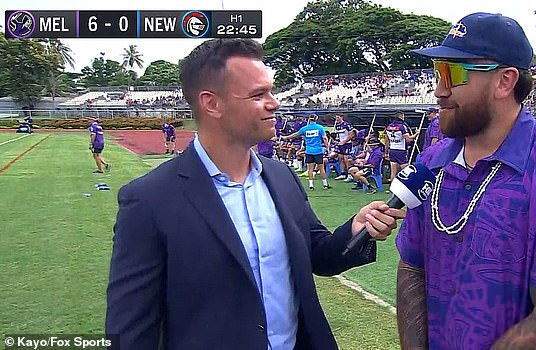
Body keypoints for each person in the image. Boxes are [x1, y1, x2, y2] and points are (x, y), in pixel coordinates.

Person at [106, 38, 405, 350]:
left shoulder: (281, 176)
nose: (274, 102)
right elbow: (129, 332)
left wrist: (356, 230)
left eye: (271, 91)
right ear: (212, 104)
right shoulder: (149, 200)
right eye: (258, 94)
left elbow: (319, 255)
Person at [396, 13, 536, 349]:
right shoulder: (432, 162)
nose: (439, 89)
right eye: (437, 71)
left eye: (453, 73)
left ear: (505, 81)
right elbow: (412, 267)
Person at [282, 114, 331, 190]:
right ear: (316, 119)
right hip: (318, 150)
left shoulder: (305, 128)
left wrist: (286, 137)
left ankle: (311, 185)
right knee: (321, 168)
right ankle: (325, 184)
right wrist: (327, 147)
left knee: (310, 168)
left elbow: (295, 134)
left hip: (309, 151)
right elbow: (324, 138)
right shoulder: (320, 128)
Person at [385, 111, 419, 183]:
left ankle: (392, 189)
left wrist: (386, 151)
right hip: (401, 150)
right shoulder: (402, 126)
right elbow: (409, 139)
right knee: (407, 170)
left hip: (392, 149)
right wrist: (417, 133)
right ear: (401, 117)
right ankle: (409, 186)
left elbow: (386, 141)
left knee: (393, 172)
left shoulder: (388, 127)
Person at [332, 114, 357, 180]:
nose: (337, 119)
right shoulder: (337, 126)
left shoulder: (347, 125)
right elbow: (338, 135)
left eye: (338, 117)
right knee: (341, 158)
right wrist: (337, 141)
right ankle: (343, 174)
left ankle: (350, 175)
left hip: (347, 144)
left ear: (341, 117)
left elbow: (352, 134)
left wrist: (345, 141)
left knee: (346, 159)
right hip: (340, 144)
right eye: (336, 117)